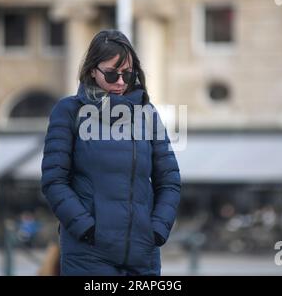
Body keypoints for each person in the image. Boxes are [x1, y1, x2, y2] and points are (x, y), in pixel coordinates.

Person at [41, 29, 181, 276]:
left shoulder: (147, 115)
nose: (120, 82)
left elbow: (169, 180)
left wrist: (157, 230)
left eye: (127, 74)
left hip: (142, 254)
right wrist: (87, 229)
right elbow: (54, 181)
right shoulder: (68, 111)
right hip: (88, 255)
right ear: (93, 70)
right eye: (111, 73)